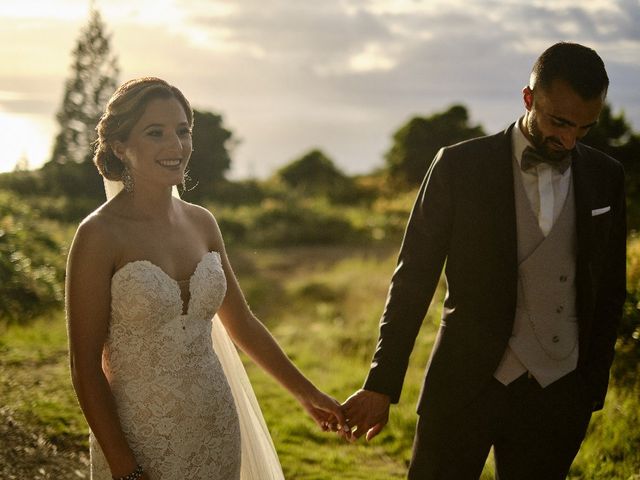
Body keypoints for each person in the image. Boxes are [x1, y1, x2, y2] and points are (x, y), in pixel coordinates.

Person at [342, 42, 627, 479]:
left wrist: (590, 386)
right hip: (462, 386)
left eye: (584, 128)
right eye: (559, 122)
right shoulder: (459, 166)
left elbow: (609, 291)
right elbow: (413, 279)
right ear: (528, 98)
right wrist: (382, 383)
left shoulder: (607, 176)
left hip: (560, 395)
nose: (569, 139)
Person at [66, 77, 347, 480]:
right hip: (140, 438)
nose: (175, 145)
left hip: (215, 425)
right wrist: (125, 466)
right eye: (156, 133)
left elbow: (243, 324)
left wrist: (308, 393)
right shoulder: (98, 235)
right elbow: (85, 366)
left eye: (183, 131)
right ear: (120, 147)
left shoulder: (202, 223)